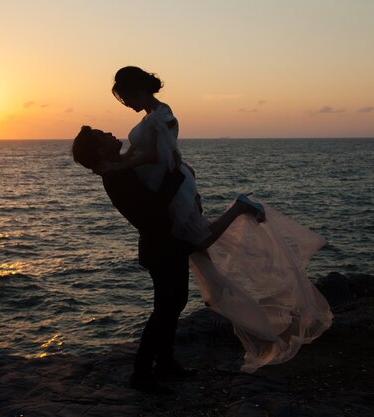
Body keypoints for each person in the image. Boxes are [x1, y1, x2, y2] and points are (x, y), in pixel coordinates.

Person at [71, 126, 263, 394]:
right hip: (160, 247)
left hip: (166, 244)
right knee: (165, 309)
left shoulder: (122, 166)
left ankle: (165, 363)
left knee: (174, 304)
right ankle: (141, 373)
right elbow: (154, 206)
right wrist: (175, 174)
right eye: (103, 136)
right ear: (101, 150)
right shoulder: (117, 176)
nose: (111, 134)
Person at [94, 66, 262, 249]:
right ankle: (239, 206)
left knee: (200, 239)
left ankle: (239, 206)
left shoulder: (161, 115)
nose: (127, 104)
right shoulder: (150, 116)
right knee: (192, 236)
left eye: (127, 99)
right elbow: (135, 150)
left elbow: (155, 155)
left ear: (139, 91)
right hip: (156, 180)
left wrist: (118, 167)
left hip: (164, 180)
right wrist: (117, 162)